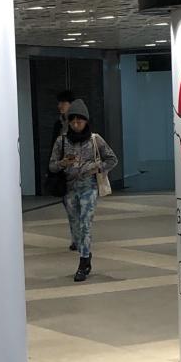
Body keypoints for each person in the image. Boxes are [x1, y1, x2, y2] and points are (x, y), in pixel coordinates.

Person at [48, 99, 117, 282]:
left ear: (86, 121)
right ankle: (83, 252)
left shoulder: (95, 139)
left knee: (86, 223)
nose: (76, 124)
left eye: (80, 121)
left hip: (89, 187)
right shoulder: (61, 141)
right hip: (69, 189)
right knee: (76, 227)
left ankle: (84, 261)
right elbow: (52, 166)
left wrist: (98, 168)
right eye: (73, 121)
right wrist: (63, 163)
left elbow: (112, 159)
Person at [50, 90, 78, 249]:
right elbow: (53, 147)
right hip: (64, 172)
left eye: (63, 102)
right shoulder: (58, 124)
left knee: (81, 210)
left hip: (81, 173)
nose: (60, 106)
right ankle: (76, 238)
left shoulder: (80, 123)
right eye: (59, 102)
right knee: (70, 208)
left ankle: (80, 238)